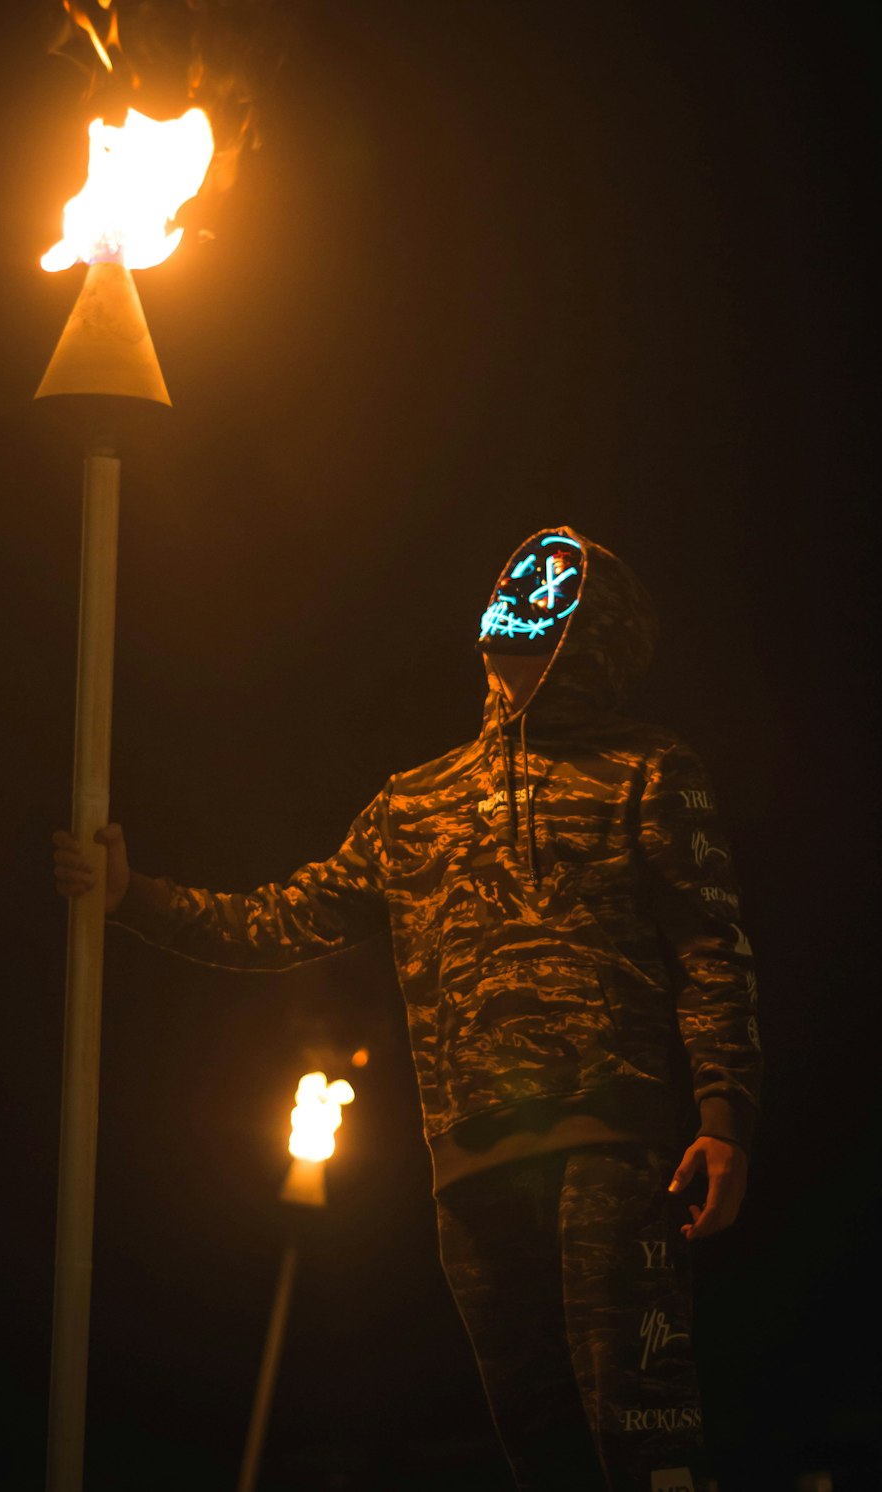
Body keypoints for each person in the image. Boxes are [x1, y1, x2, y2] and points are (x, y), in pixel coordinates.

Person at [53, 524, 761, 1492]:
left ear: (597, 636)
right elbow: (283, 921)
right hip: (469, 1164)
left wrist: (723, 1120)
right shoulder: (412, 806)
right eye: (517, 583)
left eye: (553, 593)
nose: (521, 605)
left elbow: (710, 947)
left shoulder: (647, 769)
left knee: (644, 1428)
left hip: (614, 1143)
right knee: (539, 1448)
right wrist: (134, 898)